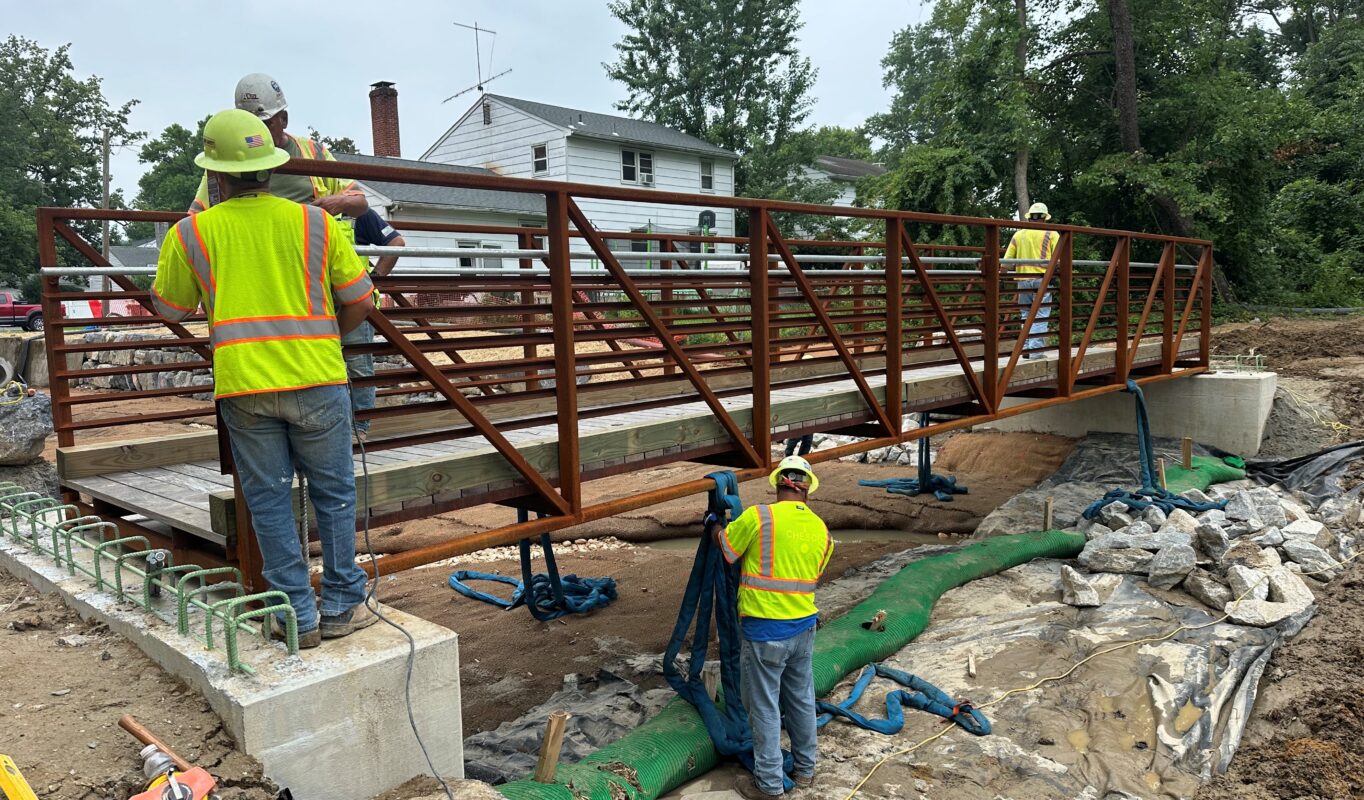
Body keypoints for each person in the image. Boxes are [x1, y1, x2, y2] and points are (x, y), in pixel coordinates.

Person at [152, 109, 379, 649]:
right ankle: (345, 601)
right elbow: (361, 301)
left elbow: (167, 308)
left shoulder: (193, 234)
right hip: (319, 378)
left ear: (218, 175)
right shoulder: (316, 224)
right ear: (270, 167)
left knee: (271, 502)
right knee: (335, 493)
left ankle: (296, 616)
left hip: (245, 388)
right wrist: (325, 333)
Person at [715, 455, 834, 798]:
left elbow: (726, 549)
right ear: (807, 491)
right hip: (804, 628)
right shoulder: (822, 530)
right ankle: (806, 770)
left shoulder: (758, 517)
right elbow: (814, 572)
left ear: (778, 485)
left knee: (765, 708)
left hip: (765, 630)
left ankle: (768, 786)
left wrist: (713, 526)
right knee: (800, 698)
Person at [187, 73, 367, 216]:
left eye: (264, 124)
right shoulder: (229, 157)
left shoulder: (314, 153)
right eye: (249, 123)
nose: (257, 133)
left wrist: (338, 202)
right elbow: (196, 213)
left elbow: (360, 203)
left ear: (284, 120)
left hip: (306, 246)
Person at [342, 209, 407, 439]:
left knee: (358, 366)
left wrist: (372, 279)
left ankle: (358, 430)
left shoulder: (356, 211)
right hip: (316, 304)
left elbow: (396, 242)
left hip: (353, 303)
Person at [1004, 202, 1059, 358]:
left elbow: (1007, 261)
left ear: (1029, 218)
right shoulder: (1052, 234)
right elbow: (1059, 259)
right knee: (1041, 315)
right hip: (1042, 278)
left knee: (1026, 315)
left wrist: (1000, 276)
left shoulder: (1019, 235)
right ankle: (1035, 352)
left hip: (1022, 280)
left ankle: (1026, 349)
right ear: (1045, 218)